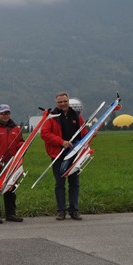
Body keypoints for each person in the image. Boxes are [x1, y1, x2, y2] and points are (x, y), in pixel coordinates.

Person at [40, 92, 86, 221]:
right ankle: (61, 211)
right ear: (56, 103)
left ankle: (74, 210)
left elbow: (83, 131)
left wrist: (91, 134)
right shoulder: (51, 116)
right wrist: (61, 142)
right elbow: (44, 133)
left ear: (68, 101)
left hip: (74, 153)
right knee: (59, 183)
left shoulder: (76, 115)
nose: (63, 104)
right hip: (58, 154)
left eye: (65, 101)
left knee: (74, 183)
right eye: (60, 102)